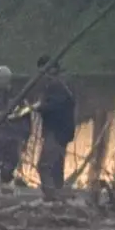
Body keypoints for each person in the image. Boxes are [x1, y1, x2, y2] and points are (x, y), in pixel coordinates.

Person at [0, 65, 33, 190]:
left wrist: (24, 138)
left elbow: (26, 120)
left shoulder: (19, 99)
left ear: (9, 80)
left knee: (8, 171)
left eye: (3, 78)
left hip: (12, 140)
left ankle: (6, 196)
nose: (0, 81)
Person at [35, 57, 76, 197]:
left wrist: (39, 107)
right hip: (61, 131)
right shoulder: (62, 84)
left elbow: (54, 106)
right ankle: (57, 193)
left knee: (45, 165)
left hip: (57, 131)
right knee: (57, 165)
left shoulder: (57, 85)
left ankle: (51, 195)